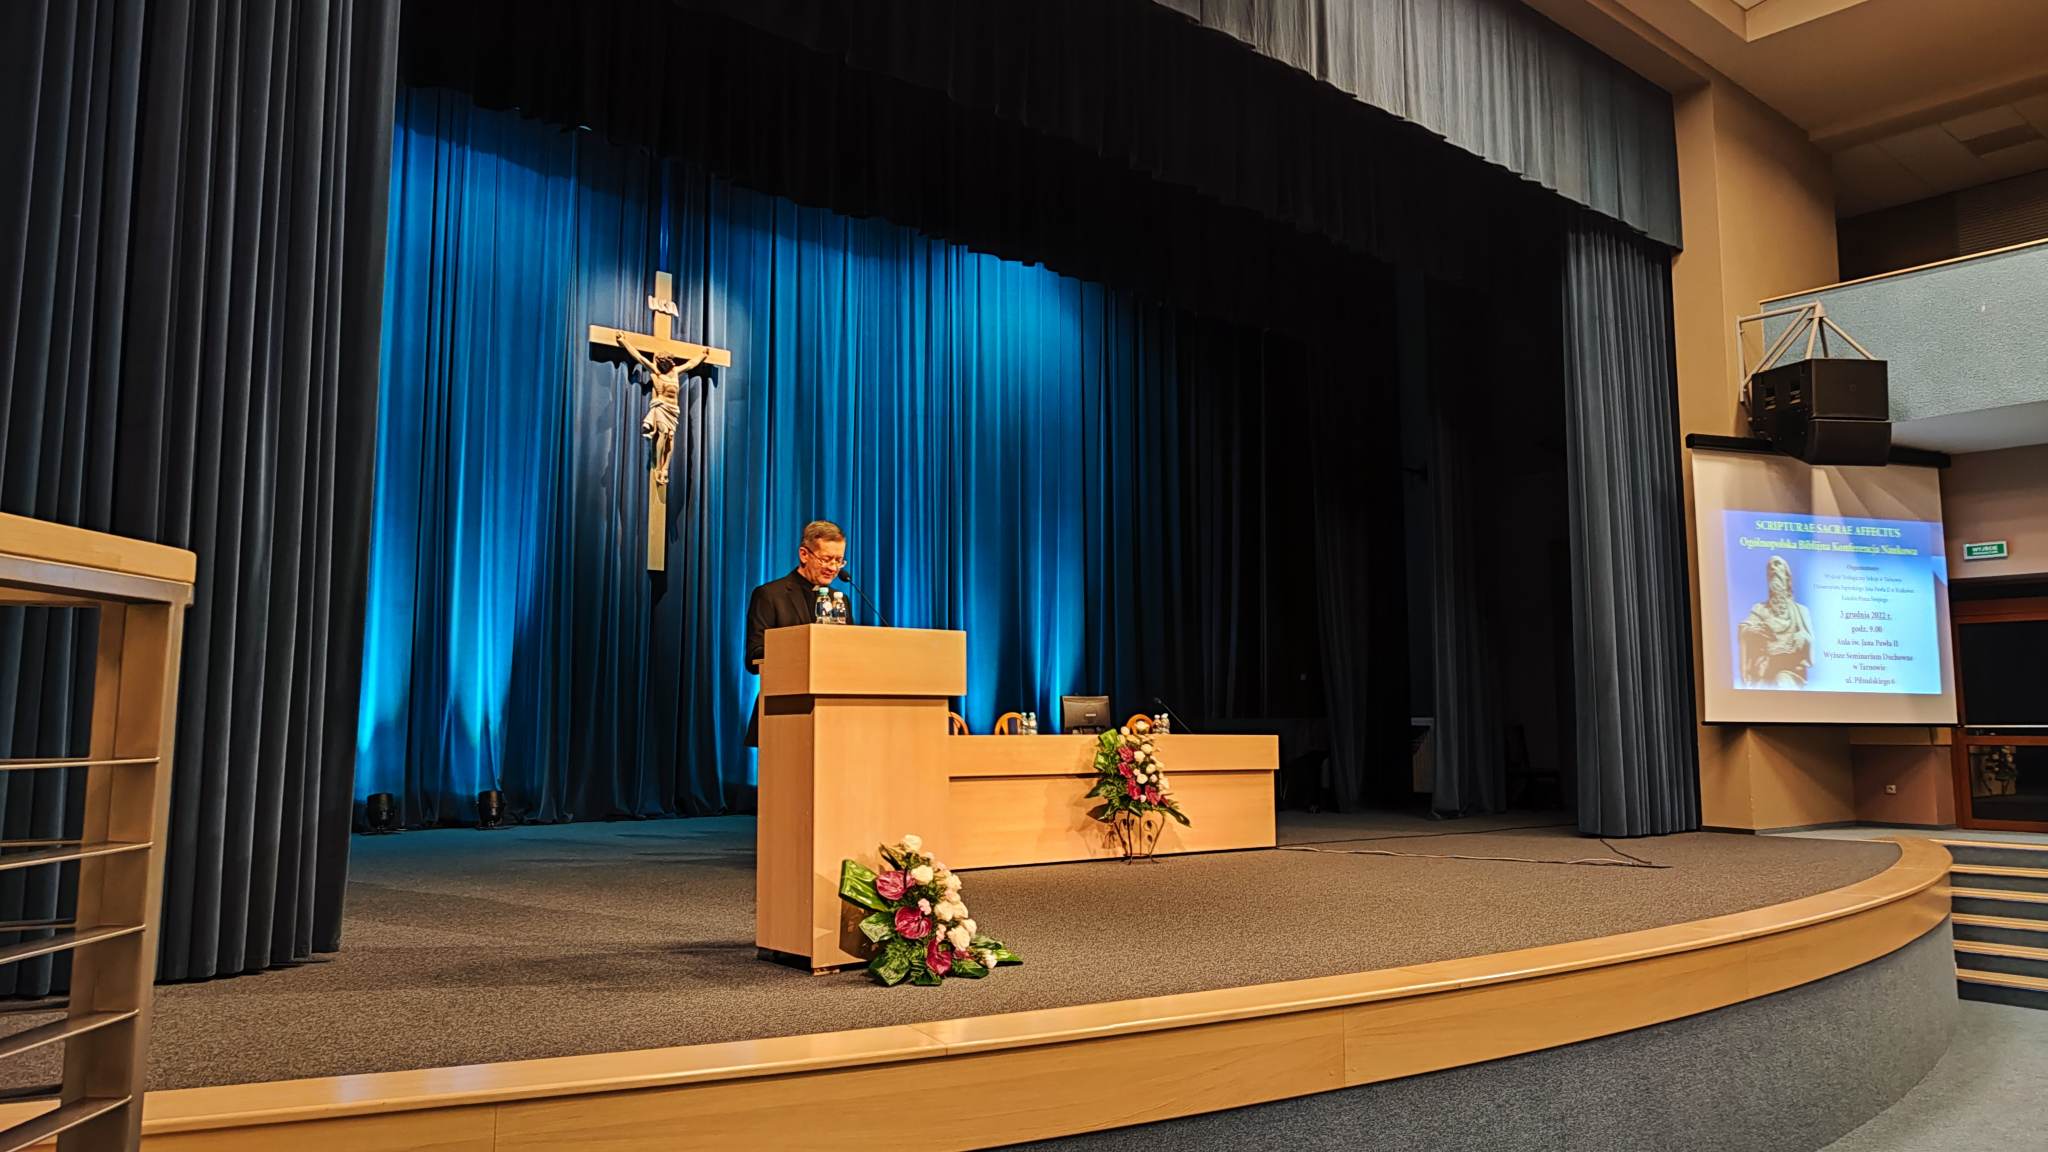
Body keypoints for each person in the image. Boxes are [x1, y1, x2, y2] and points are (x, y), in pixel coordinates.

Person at [744, 520, 848, 746]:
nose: (833, 568)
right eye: (826, 559)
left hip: (835, 714)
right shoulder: (770, 595)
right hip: (784, 711)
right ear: (804, 554)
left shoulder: (840, 600)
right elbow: (754, 656)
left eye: (839, 561)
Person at [1737, 554, 1814, 688]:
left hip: (1790, 669)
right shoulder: (1759, 609)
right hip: (1764, 667)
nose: (1772, 567)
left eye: (1777, 564)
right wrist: (1751, 630)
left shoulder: (1801, 611)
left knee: (1782, 682)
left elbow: (1809, 639)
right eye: (1769, 567)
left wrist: (1802, 637)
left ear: (1787, 577)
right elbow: (1744, 628)